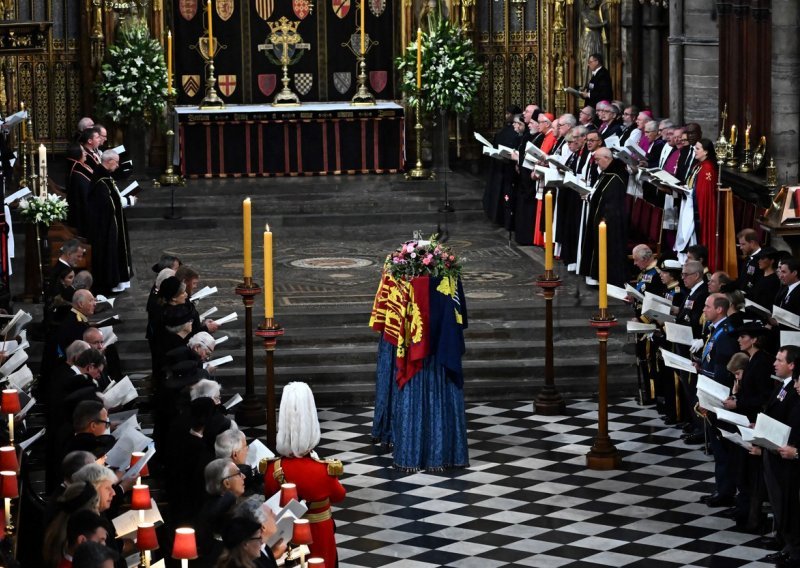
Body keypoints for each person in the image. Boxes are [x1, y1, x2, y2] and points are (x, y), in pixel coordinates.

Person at [262, 382, 345, 568]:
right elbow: (339, 496)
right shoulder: (322, 470)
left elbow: (269, 498)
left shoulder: (272, 468)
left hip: (287, 536)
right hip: (320, 535)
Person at [579, 147, 628, 286]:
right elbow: (599, 193)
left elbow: (611, 200)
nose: (596, 163)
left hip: (611, 220)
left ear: (607, 158)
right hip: (601, 216)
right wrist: (590, 197)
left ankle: (605, 277)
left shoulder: (616, 175)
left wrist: (592, 199)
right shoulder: (608, 173)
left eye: (598, 160)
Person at [87, 150, 133, 295]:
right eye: (116, 162)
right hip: (108, 226)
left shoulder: (104, 176)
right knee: (111, 252)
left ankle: (120, 280)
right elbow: (107, 204)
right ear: (109, 161)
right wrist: (126, 201)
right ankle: (112, 282)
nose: (118, 165)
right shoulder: (101, 180)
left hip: (113, 222)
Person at [676, 138, 718, 270]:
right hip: (688, 205)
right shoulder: (697, 166)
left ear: (706, 152)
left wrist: (689, 192)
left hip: (697, 209)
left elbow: (704, 194)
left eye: (698, 149)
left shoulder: (708, 169)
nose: (695, 151)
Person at [736, 228, 763, 296]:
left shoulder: (762, 259)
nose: (741, 248)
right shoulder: (748, 258)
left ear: (752, 243)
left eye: (743, 244)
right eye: (740, 244)